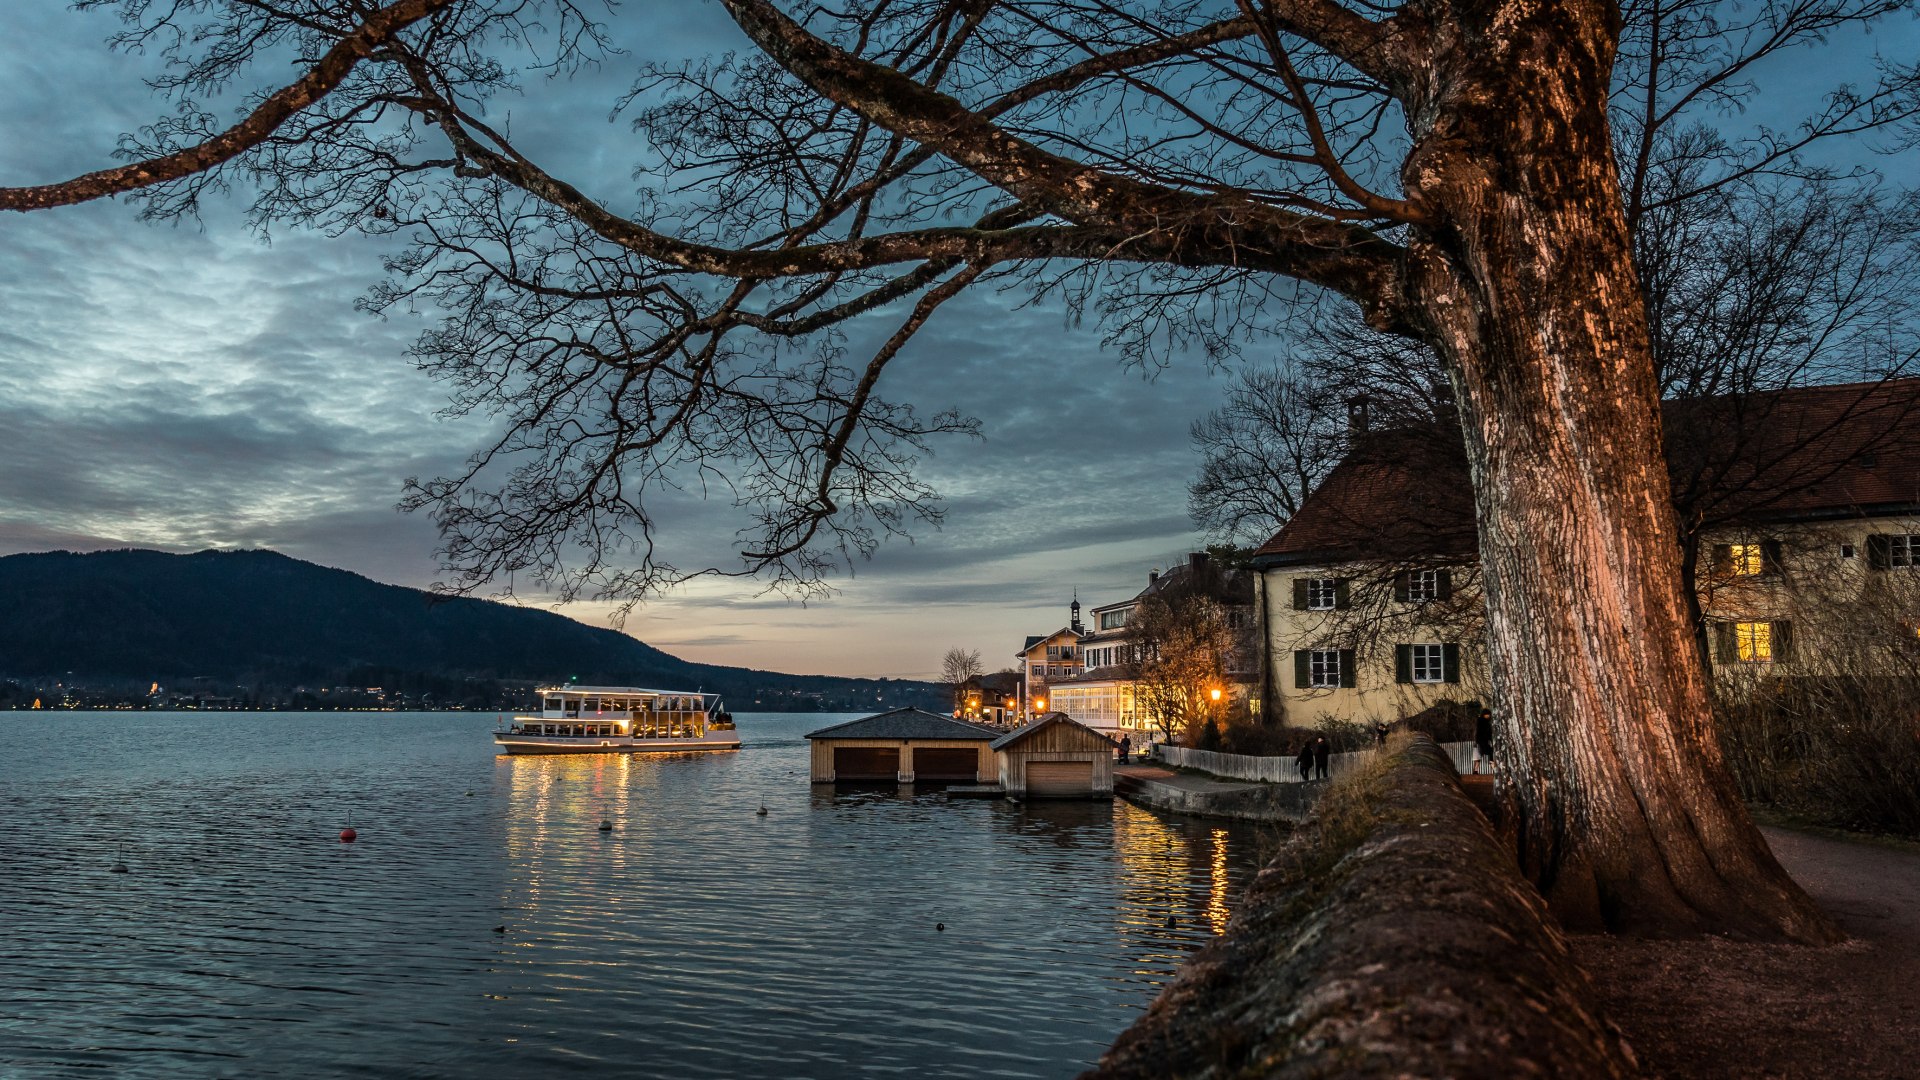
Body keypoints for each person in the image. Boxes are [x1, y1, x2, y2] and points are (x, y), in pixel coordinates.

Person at [1475, 707, 1495, 773]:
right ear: (1484, 714)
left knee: (1480, 755)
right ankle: (1493, 767)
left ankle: (1475, 770)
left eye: (1489, 714)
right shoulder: (1483, 721)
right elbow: (1486, 732)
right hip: (1482, 741)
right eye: (1487, 714)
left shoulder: (1482, 721)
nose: (1488, 716)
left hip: (1482, 741)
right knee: (1490, 752)